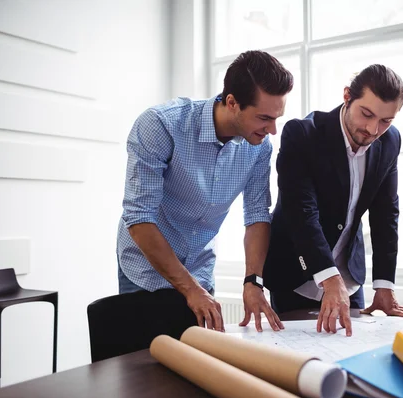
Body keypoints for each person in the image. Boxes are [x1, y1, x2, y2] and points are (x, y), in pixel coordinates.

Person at [117, 50, 294, 333]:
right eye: (264, 117)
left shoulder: (259, 146)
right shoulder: (160, 125)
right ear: (233, 103)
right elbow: (139, 218)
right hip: (145, 271)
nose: (272, 130)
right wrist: (189, 289)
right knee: (144, 369)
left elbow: (257, 215)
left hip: (200, 270)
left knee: (197, 366)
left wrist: (253, 281)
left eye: (277, 117)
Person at [263, 64, 403, 337]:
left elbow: (386, 214)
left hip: (349, 276)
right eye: (367, 114)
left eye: (386, 121)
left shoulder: (390, 141)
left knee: (354, 349)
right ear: (347, 96)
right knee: (301, 359)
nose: (373, 129)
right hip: (298, 275)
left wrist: (384, 286)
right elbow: (301, 212)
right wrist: (328, 277)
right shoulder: (303, 135)